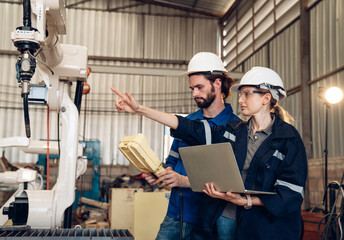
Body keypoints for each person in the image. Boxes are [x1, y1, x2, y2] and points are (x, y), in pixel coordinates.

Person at [112, 66, 308, 240]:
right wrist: (139, 109)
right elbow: (189, 128)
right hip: (225, 218)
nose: (239, 99)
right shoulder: (234, 131)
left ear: (266, 98)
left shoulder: (289, 140)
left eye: (247, 94)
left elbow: (290, 195)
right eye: (240, 94)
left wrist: (245, 200)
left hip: (264, 228)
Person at [141, 52, 240, 240]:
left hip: (212, 219)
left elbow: (226, 181)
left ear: (217, 84)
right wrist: (161, 174)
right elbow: (172, 160)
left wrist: (182, 181)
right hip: (177, 213)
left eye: (199, 87)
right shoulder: (187, 123)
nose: (195, 93)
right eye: (192, 88)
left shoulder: (235, 129)